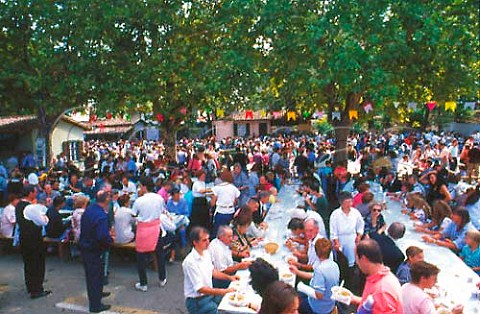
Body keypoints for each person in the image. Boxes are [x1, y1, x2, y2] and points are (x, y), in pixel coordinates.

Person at [182, 226, 238, 314]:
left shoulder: (206, 253)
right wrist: (222, 291)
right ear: (195, 242)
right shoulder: (190, 262)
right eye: (204, 240)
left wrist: (230, 278)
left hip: (208, 295)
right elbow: (200, 288)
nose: (208, 242)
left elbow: (213, 271)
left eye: (208, 239)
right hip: (197, 301)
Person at [79, 190, 113, 313]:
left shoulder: (90, 210)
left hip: (86, 246)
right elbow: (102, 236)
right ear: (106, 200)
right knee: (94, 276)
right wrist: (110, 240)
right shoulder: (101, 215)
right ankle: (95, 304)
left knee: (94, 275)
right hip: (94, 249)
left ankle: (97, 293)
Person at [132, 176, 167, 291]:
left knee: (140, 257)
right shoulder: (159, 198)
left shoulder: (139, 201)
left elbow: (134, 214)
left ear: (144, 186)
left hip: (143, 229)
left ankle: (143, 283)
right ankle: (162, 278)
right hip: (156, 228)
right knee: (160, 254)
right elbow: (162, 210)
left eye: (140, 186)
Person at [15, 185, 51, 298]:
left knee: (28, 264)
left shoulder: (19, 205)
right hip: (34, 240)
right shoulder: (30, 207)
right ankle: (36, 289)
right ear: (30, 193)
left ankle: (31, 286)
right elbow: (42, 220)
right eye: (35, 192)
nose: (36, 194)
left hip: (24, 238)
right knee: (37, 264)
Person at [350, 239, 403, 313]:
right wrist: (354, 299)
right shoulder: (385, 276)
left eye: (357, 260)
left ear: (363, 259)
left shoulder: (382, 291)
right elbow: (374, 302)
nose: (357, 264)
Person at [290, 238, 340, 314]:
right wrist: (297, 272)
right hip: (330, 303)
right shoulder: (334, 265)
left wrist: (301, 287)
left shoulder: (320, 270)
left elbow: (319, 295)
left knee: (295, 302)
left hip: (319, 308)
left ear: (316, 252)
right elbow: (315, 276)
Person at [329, 191, 364, 268]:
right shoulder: (335, 214)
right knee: (341, 262)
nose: (350, 204)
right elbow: (333, 232)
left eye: (351, 202)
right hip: (340, 239)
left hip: (352, 238)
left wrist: (359, 236)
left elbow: (360, 225)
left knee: (351, 262)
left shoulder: (355, 212)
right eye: (347, 202)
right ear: (341, 203)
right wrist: (337, 243)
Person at [211, 170, 240, 237]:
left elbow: (213, 203)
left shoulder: (217, 188)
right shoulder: (234, 188)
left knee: (218, 232)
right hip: (231, 211)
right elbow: (236, 202)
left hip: (221, 212)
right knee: (229, 231)